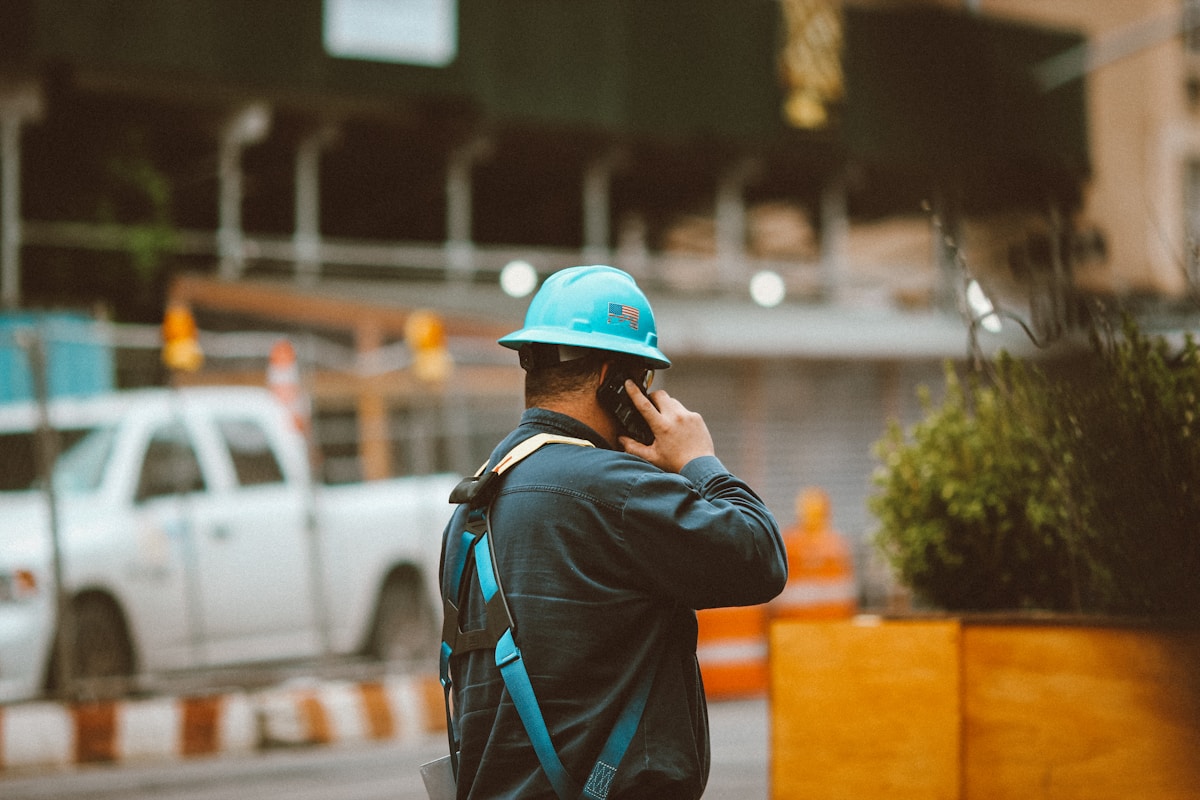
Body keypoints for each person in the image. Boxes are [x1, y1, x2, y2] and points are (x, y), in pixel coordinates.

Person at [438, 264, 788, 799]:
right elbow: (759, 555)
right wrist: (699, 461)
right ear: (615, 382)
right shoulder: (618, 491)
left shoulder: (471, 505)